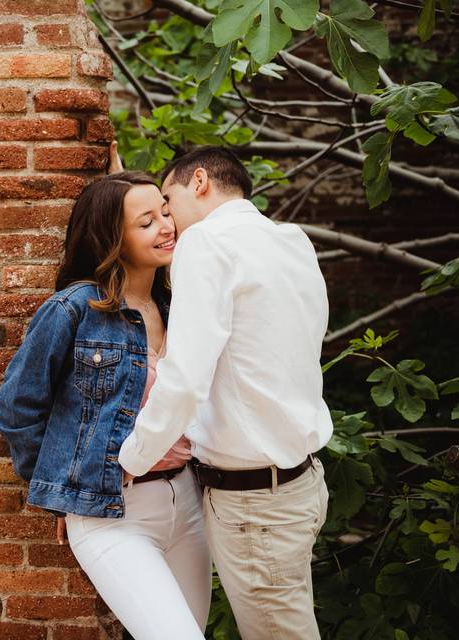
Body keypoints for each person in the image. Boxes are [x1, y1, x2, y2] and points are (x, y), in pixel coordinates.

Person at [118, 147, 333, 640]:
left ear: (199, 182)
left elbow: (185, 377)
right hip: (301, 484)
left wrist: (132, 457)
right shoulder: (289, 241)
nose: (168, 221)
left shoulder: (208, 244)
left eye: (167, 202)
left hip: (255, 504)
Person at [0, 172, 211, 640]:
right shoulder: (75, 308)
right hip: (112, 515)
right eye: (147, 222)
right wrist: (63, 487)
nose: (166, 227)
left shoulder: (179, 307)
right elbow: (16, 407)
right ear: (114, 236)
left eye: (166, 212)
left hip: (187, 502)